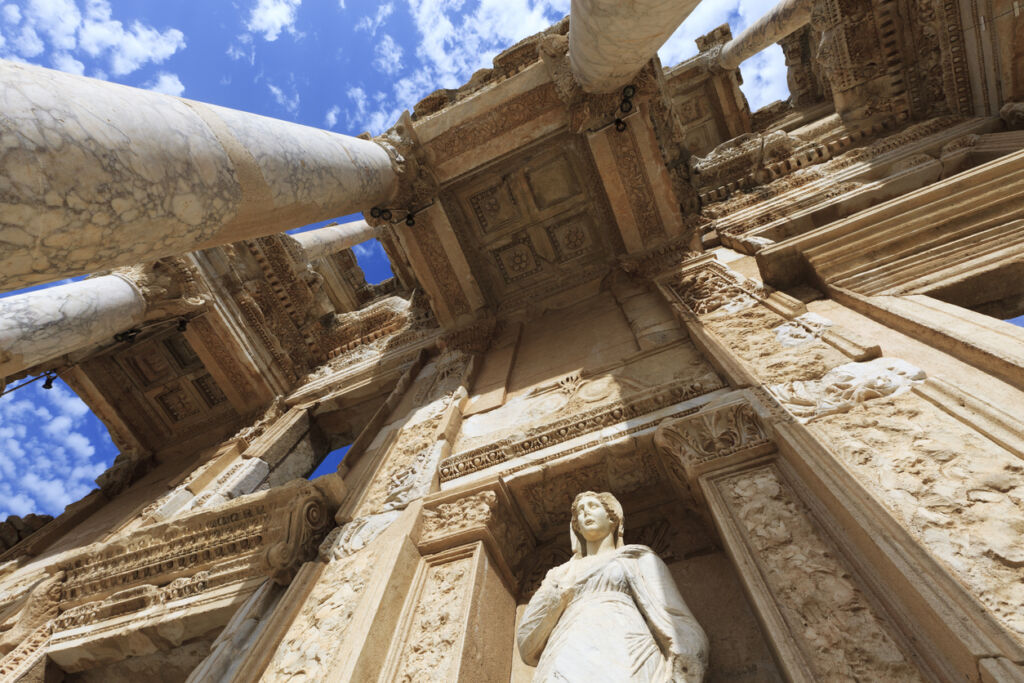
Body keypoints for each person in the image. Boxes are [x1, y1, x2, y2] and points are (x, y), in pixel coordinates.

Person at [517, 491, 708, 682]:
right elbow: (526, 641)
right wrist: (558, 599)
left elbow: (673, 613)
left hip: (626, 648)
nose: (585, 513)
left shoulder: (637, 558)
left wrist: (686, 657)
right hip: (567, 651)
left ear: (612, 518)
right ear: (576, 528)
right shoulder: (560, 574)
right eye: (580, 512)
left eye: (593, 506)